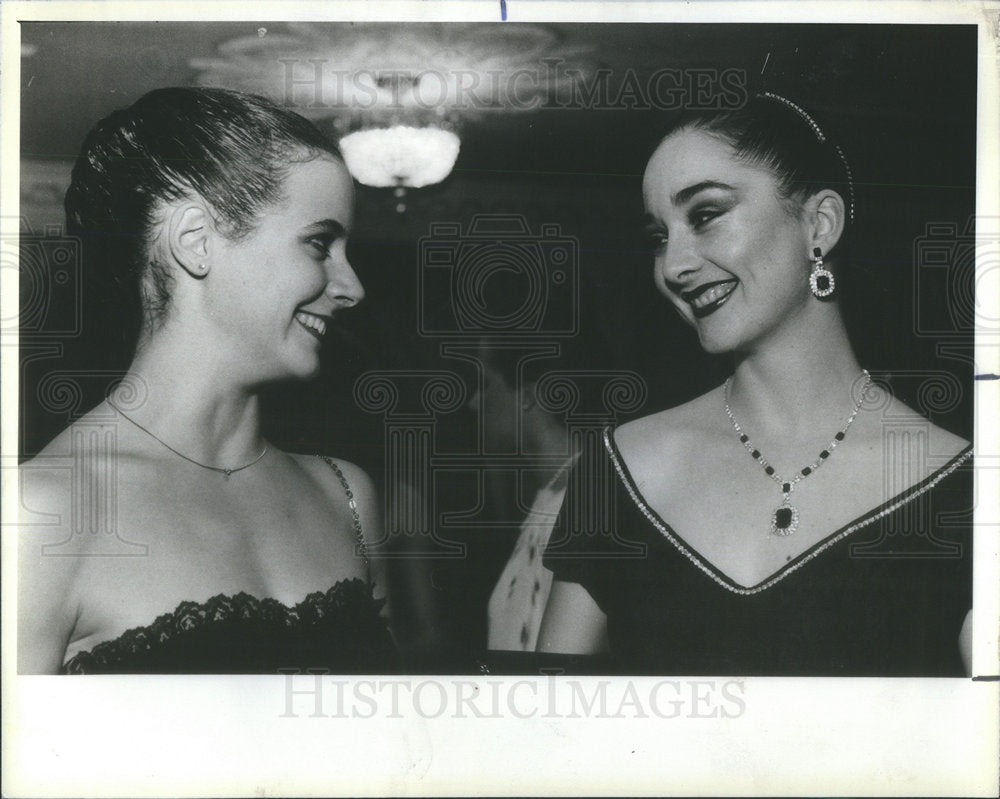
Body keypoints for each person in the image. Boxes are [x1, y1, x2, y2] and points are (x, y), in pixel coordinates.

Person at [537, 93, 974, 676]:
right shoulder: (617, 470)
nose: (673, 266)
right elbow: (548, 731)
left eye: (705, 215)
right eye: (658, 236)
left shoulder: (965, 494)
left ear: (819, 224)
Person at [17, 87, 397, 674]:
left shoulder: (346, 495)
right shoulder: (41, 514)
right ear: (196, 240)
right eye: (320, 244)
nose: (353, 287)